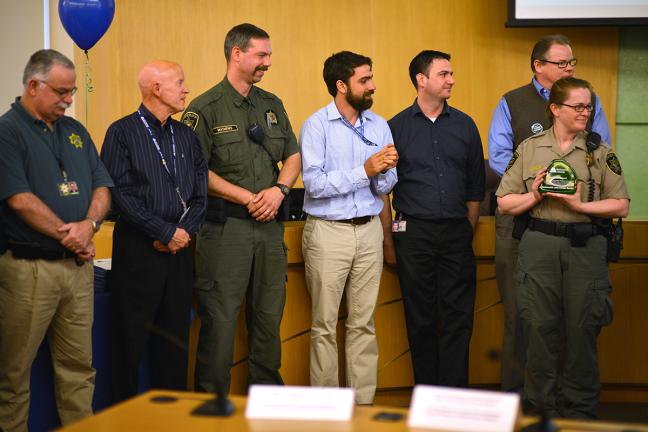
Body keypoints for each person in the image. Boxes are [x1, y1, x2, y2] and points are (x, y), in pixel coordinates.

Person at [496, 77, 629, 418]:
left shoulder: (600, 153)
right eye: (578, 106)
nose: (585, 113)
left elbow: (620, 205)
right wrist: (535, 195)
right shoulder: (529, 149)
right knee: (539, 329)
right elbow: (505, 202)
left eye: (589, 106)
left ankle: (580, 411)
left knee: (583, 329)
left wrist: (582, 206)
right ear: (555, 108)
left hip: (585, 248)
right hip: (539, 246)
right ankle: (542, 407)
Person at [488, 34, 612, 393]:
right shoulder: (511, 101)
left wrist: (566, 184)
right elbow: (499, 158)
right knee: (522, 314)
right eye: (562, 63)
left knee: (576, 317)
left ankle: (565, 400)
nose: (569, 68)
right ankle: (517, 397)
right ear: (538, 66)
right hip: (521, 220)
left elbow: (599, 151)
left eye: (572, 62)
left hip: (578, 224)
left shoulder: (588, 100)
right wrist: (537, 180)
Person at [181, 23, 301, 393]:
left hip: (268, 231)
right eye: (261, 55)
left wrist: (280, 190)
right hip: (224, 232)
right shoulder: (205, 108)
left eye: (268, 55)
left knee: (268, 320)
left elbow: (293, 156)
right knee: (219, 322)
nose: (267, 62)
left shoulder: (271, 104)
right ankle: (211, 408)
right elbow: (195, 173)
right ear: (237, 54)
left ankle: (266, 404)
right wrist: (248, 197)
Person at [0, 49, 113, 431]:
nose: (68, 100)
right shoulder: (7, 132)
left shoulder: (75, 131)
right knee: (13, 376)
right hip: (29, 271)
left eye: (72, 92)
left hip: (78, 270)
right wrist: (71, 235)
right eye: (62, 92)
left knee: (79, 370)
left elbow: (102, 184)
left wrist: (90, 226)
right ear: (34, 85)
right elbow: (19, 199)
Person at [100, 60, 208, 401]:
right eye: (180, 82)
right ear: (156, 89)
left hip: (180, 254)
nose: (186, 89)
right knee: (128, 346)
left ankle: (171, 419)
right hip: (139, 252)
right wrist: (163, 232)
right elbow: (118, 194)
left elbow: (200, 195)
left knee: (174, 346)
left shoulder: (186, 136)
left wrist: (182, 234)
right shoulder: (121, 132)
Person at [300, 51, 398, 404]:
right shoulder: (316, 125)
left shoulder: (379, 125)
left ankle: (363, 406)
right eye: (364, 80)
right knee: (324, 326)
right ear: (341, 86)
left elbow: (385, 187)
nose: (372, 86)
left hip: (370, 229)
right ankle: (327, 409)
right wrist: (366, 170)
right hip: (329, 233)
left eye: (371, 78)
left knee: (363, 323)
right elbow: (315, 185)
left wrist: (385, 172)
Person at [383, 50, 485, 387]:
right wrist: (388, 242)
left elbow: (475, 187)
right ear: (421, 80)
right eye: (444, 74)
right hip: (414, 234)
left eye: (451, 73)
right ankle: (426, 396)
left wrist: (466, 228)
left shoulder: (466, 125)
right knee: (421, 319)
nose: (452, 80)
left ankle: (454, 398)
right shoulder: (394, 127)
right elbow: (383, 189)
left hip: (457, 232)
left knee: (459, 318)